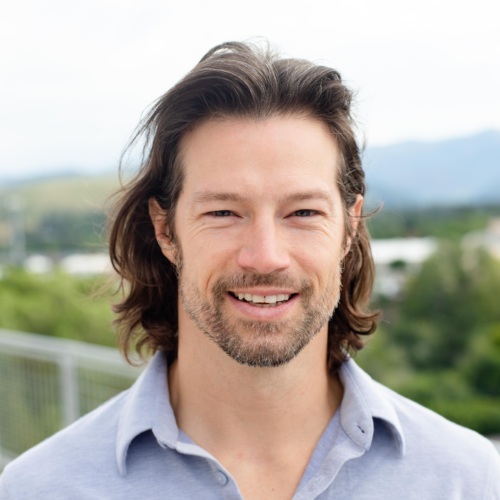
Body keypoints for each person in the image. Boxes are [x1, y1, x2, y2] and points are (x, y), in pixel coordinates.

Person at [1, 41, 499, 500]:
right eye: (223, 213)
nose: (265, 257)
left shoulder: (465, 480)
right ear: (165, 229)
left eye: (303, 212)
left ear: (349, 228)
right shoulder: (42, 489)